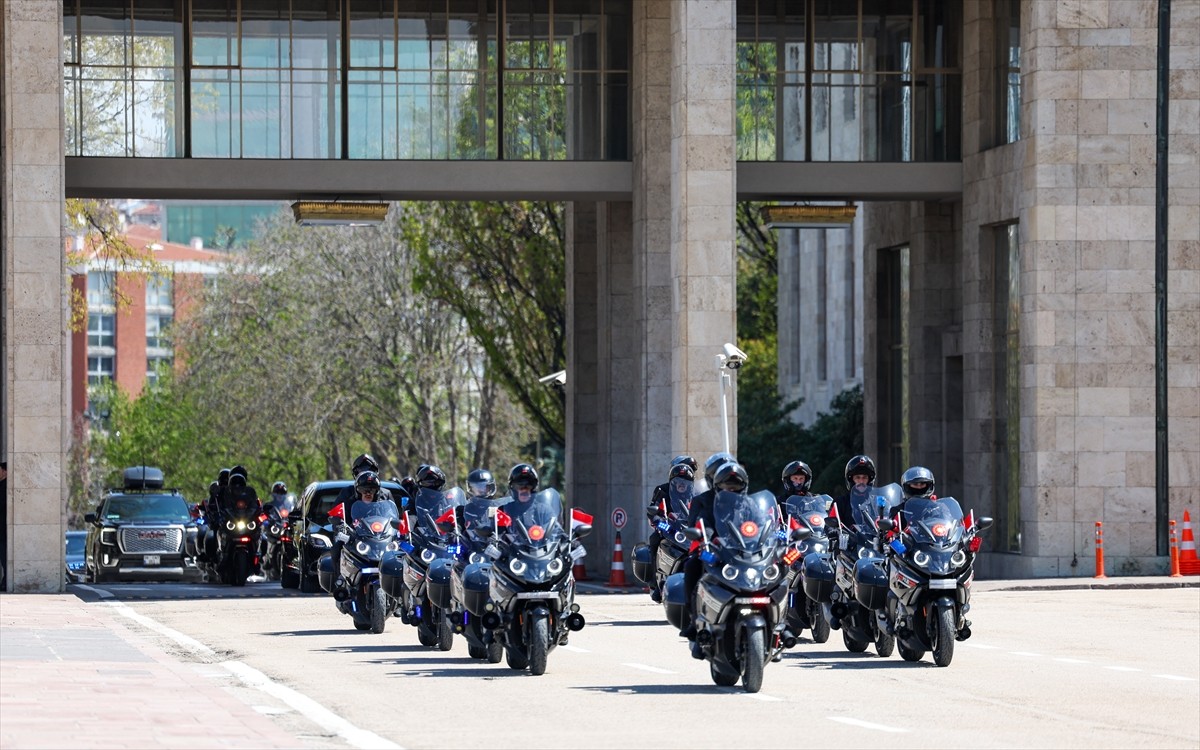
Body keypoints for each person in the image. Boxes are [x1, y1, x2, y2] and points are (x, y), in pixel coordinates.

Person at [681, 460, 748, 657]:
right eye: (727, 486)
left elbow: (761, 524)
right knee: (692, 566)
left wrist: (776, 535)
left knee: (778, 567)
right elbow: (699, 523)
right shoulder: (704, 501)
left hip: (745, 553)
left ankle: (780, 622)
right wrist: (705, 538)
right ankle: (695, 622)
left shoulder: (748, 504)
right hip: (715, 551)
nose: (731, 490)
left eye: (735, 486)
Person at [332, 470, 396, 595]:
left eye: (372, 490)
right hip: (356, 537)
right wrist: (340, 526)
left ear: (377, 491)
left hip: (380, 538)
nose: (368, 493)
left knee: (402, 551)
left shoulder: (383, 502)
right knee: (336, 547)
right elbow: (338, 517)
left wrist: (399, 528)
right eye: (363, 489)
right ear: (357, 490)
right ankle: (340, 581)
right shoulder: (349, 501)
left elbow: (393, 518)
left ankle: (399, 591)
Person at [645, 458, 696, 602]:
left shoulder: (696, 493)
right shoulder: (662, 490)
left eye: (685, 481)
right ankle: (654, 584)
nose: (682, 484)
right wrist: (659, 522)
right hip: (669, 529)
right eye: (678, 481)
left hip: (689, 531)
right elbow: (653, 511)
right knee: (654, 541)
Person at [831, 455, 877, 531]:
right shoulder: (840, 502)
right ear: (851, 480)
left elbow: (887, 521)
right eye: (857, 477)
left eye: (864, 477)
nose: (861, 481)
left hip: (874, 538)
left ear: (869, 480)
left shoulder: (877, 502)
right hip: (849, 538)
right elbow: (830, 525)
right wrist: (833, 531)